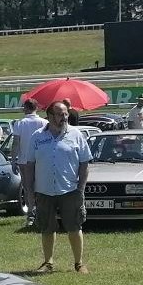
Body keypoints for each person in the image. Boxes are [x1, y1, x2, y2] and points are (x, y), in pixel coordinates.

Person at [27, 102, 94, 273]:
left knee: (74, 227)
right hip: (44, 190)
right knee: (47, 228)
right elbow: (29, 165)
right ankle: (48, 263)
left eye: (65, 114)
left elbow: (84, 164)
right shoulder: (37, 136)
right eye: (60, 114)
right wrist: (29, 191)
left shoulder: (76, 134)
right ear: (49, 116)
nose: (64, 117)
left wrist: (80, 189)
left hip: (70, 190)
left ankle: (79, 264)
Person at [9, 99, 46, 220]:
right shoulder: (44, 122)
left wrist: (13, 160)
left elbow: (16, 143)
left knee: (28, 187)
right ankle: (40, 209)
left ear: (26, 108)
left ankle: (31, 211)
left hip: (24, 160)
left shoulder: (20, 123)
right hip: (41, 159)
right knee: (41, 185)